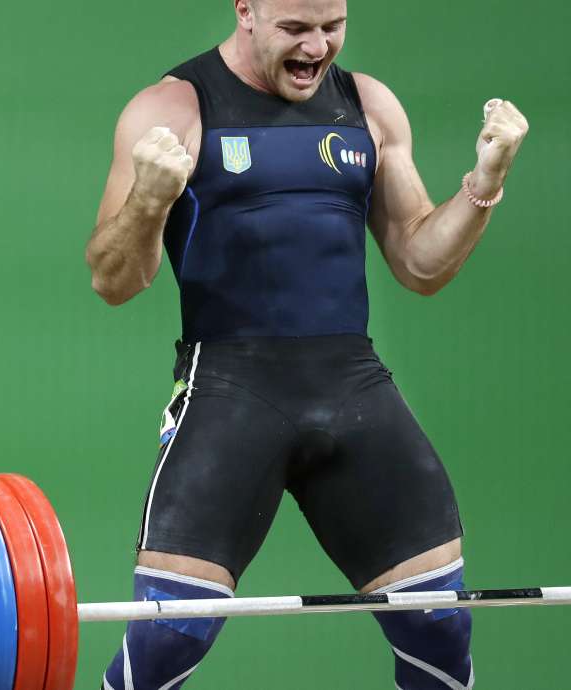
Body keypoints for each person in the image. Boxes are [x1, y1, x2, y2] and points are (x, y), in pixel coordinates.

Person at [85, 1, 527, 687]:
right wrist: (148, 200)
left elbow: (420, 263)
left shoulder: (369, 105)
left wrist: (484, 185)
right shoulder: (172, 108)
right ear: (247, 13)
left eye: (333, 26)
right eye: (297, 29)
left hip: (351, 387)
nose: (318, 47)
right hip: (229, 390)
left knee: (440, 625)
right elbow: (113, 280)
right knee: (170, 635)